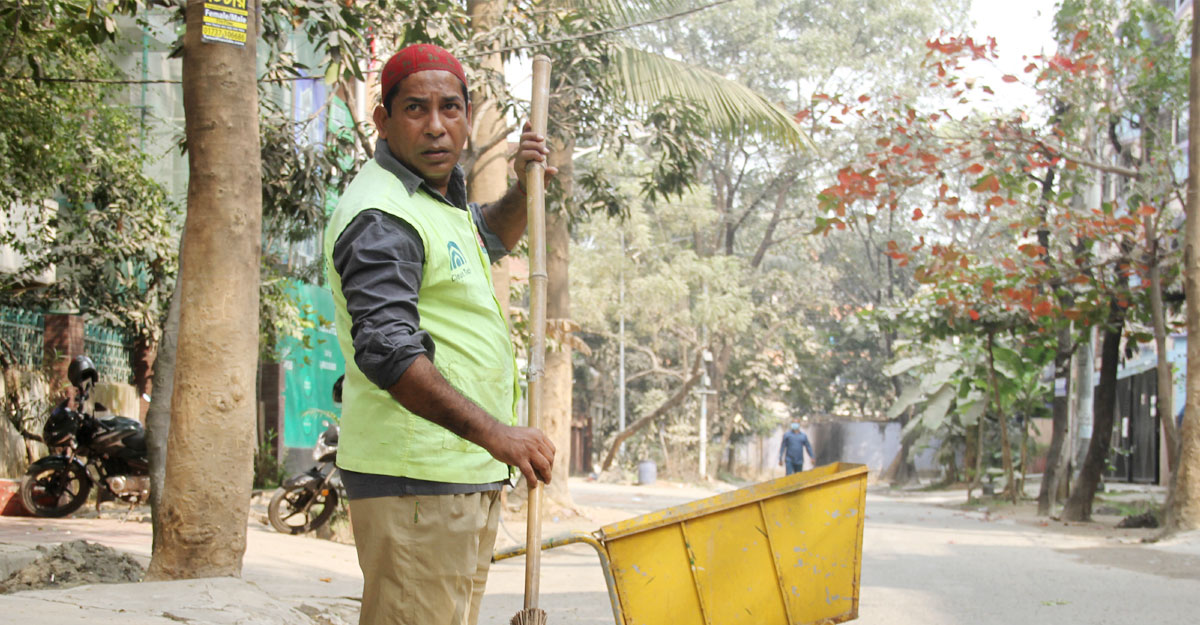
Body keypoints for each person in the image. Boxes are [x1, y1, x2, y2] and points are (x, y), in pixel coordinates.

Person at [322, 43, 557, 625]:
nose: (435, 126)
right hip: (417, 479)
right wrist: (497, 434)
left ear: (467, 116)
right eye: (415, 109)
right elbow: (390, 353)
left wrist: (524, 189)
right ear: (383, 120)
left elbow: (488, 235)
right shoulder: (383, 217)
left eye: (450, 108)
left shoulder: (436, 200)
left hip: (456, 473)